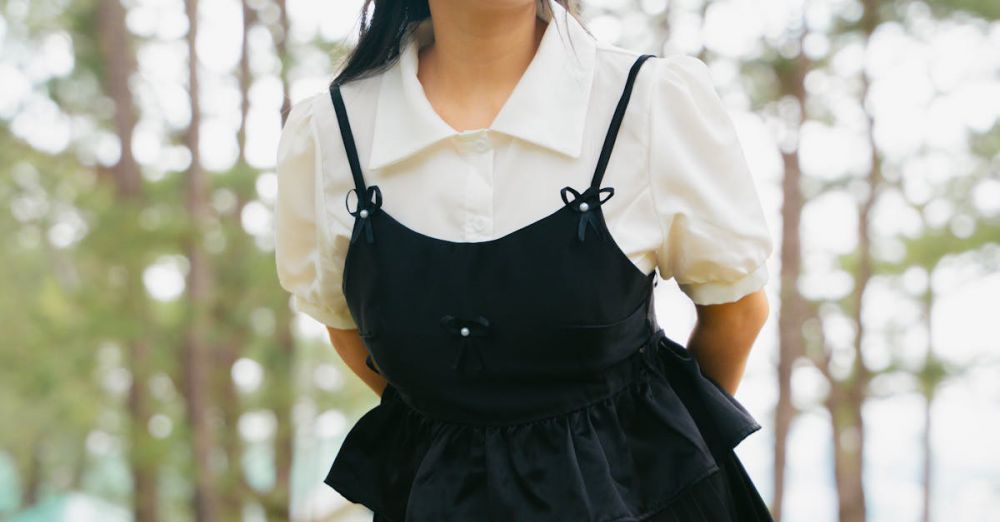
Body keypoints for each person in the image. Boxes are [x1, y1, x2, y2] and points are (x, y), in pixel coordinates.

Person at [274, 0, 775, 520]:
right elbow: (342, 322)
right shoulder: (332, 132)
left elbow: (736, 312)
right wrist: (467, 427)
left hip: (649, 504)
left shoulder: (648, 101)